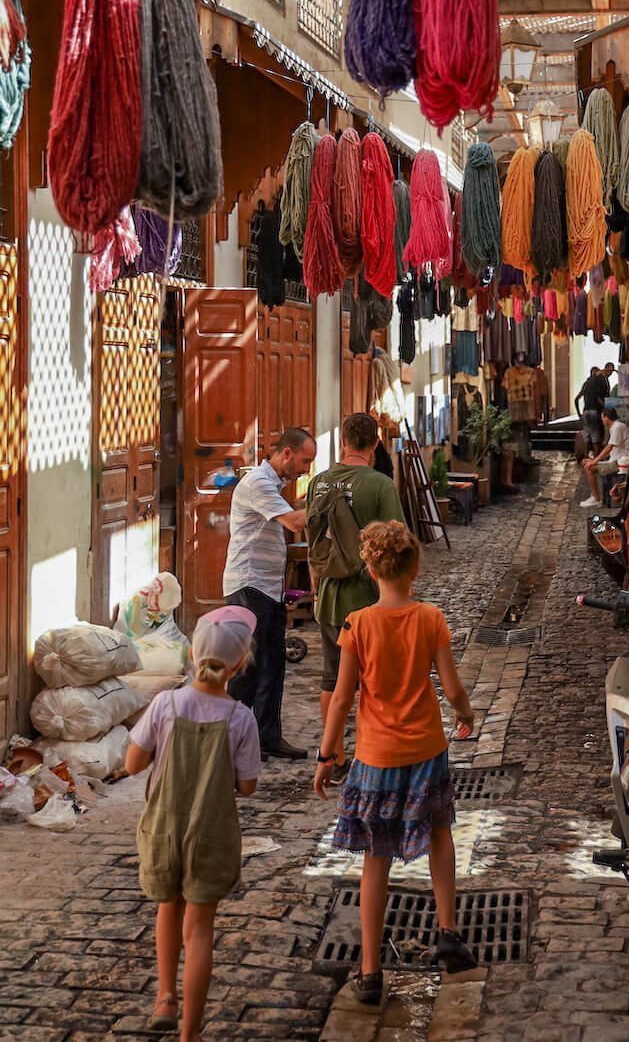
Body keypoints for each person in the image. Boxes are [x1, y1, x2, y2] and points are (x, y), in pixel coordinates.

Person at [314, 521, 477, 1004]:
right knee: (440, 833)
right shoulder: (431, 618)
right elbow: (451, 687)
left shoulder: (357, 625)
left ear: (370, 570)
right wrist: (465, 715)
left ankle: (370, 972)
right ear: (415, 568)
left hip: (375, 756)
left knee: (376, 857)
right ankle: (448, 932)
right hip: (426, 749)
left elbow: (342, 697)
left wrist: (327, 753)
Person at [126, 606, 262, 1040]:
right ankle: (190, 1034)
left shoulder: (166, 704)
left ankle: (166, 996)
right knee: (200, 930)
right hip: (212, 834)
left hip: (164, 830)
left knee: (168, 908)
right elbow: (247, 787)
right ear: (240, 664)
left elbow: (132, 765)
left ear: (191, 654)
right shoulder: (241, 717)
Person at [306, 413, 406, 777]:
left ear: (343, 441)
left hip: (329, 597)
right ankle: (373, 754)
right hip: (369, 599)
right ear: (375, 444)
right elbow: (397, 547)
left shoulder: (317, 483)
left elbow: (313, 546)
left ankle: (335, 756)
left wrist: (316, 591)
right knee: (376, 683)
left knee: (332, 679)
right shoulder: (380, 485)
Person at [223, 427, 317, 760]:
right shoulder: (258, 483)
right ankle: (228, 738)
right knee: (248, 667)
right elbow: (294, 522)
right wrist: (328, 499)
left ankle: (266, 736)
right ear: (286, 453)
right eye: (305, 461)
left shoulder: (273, 485)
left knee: (272, 664)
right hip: (250, 586)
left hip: (267, 586)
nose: (306, 469)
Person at [580, 407, 629, 508]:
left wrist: (594, 461)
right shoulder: (615, 427)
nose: (602, 420)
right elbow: (611, 450)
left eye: (603, 418)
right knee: (585, 462)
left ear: (607, 417)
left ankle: (596, 498)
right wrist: (593, 460)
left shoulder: (617, 427)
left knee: (589, 468)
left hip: (619, 463)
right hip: (615, 460)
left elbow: (609, 447)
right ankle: (594, 495)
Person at [574, 366, 605, 453]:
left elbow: (576, 399)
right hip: (594, 411)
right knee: (596, 438)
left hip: (586, 412)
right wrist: (605, 408)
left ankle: (586, 457)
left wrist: (579, 414)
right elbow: (599, 399)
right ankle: (596, 457)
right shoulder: (597, 384)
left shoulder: (586, 384)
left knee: (587, 438)